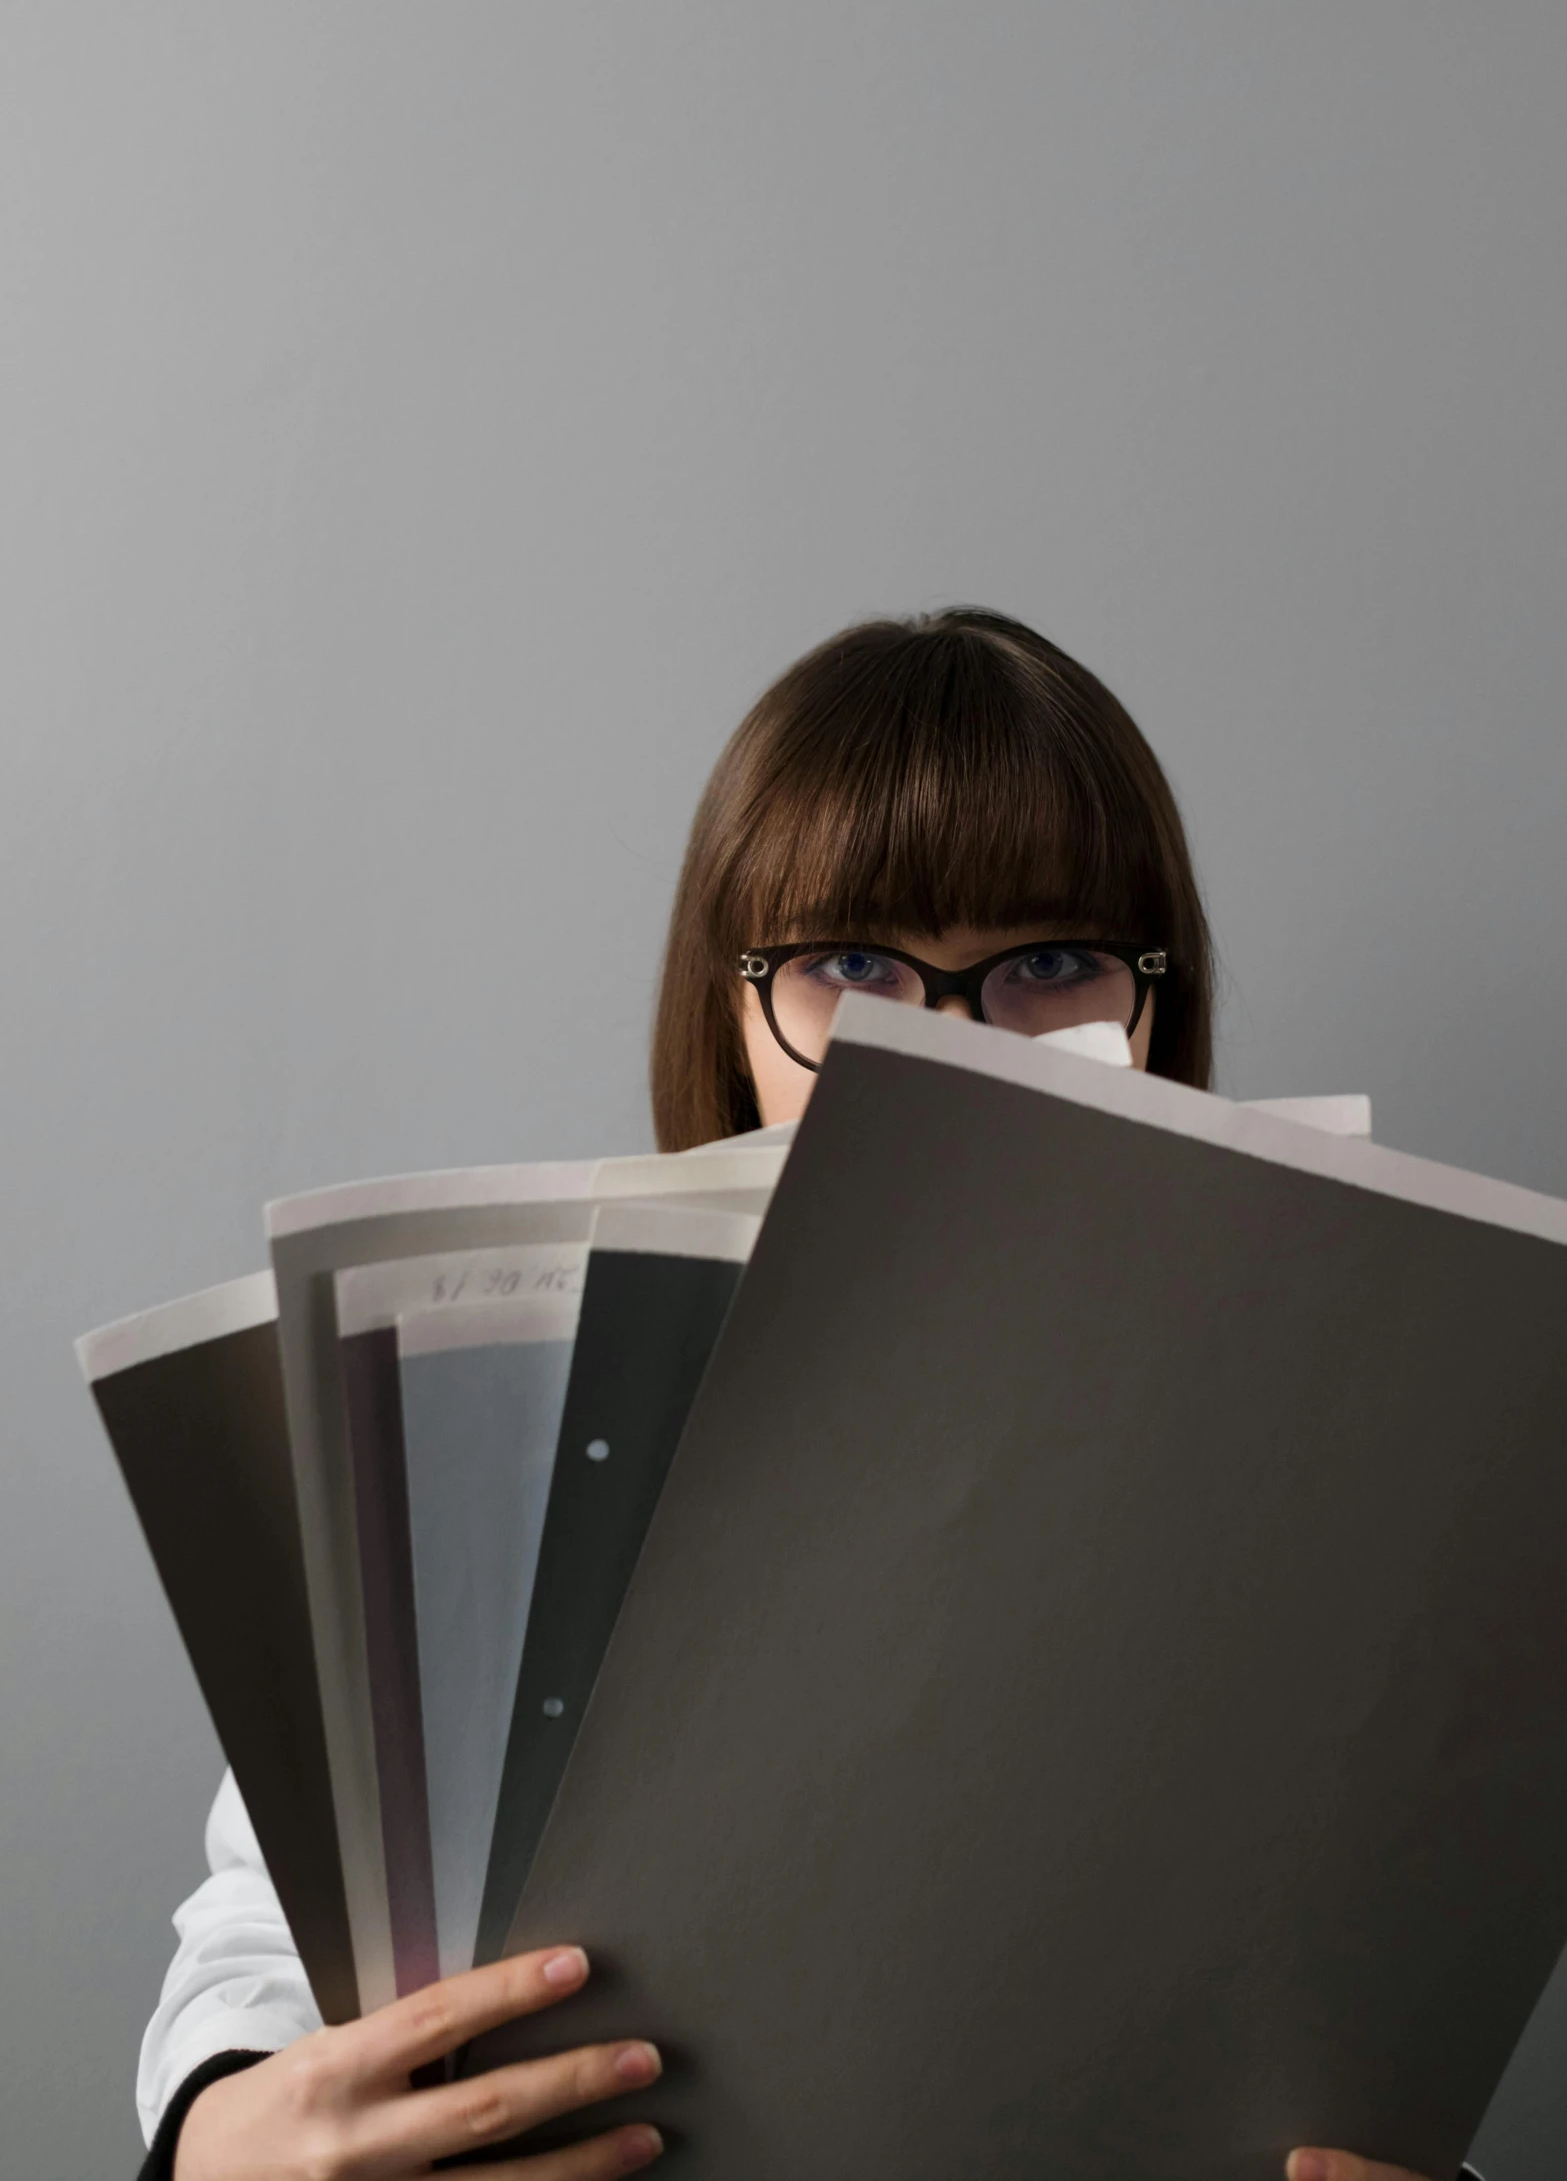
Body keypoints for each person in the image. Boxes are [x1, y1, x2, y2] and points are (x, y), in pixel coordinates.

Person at [138, 607, 1460, 2181]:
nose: (943, 1045)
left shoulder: (1343, 1457)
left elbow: (1390, 1997)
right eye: (848, 963)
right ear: (731, 1005)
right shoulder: (514, 1423)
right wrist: (226, 2133)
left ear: (1154, 1002)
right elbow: (262, 1942)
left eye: (1048, 963)